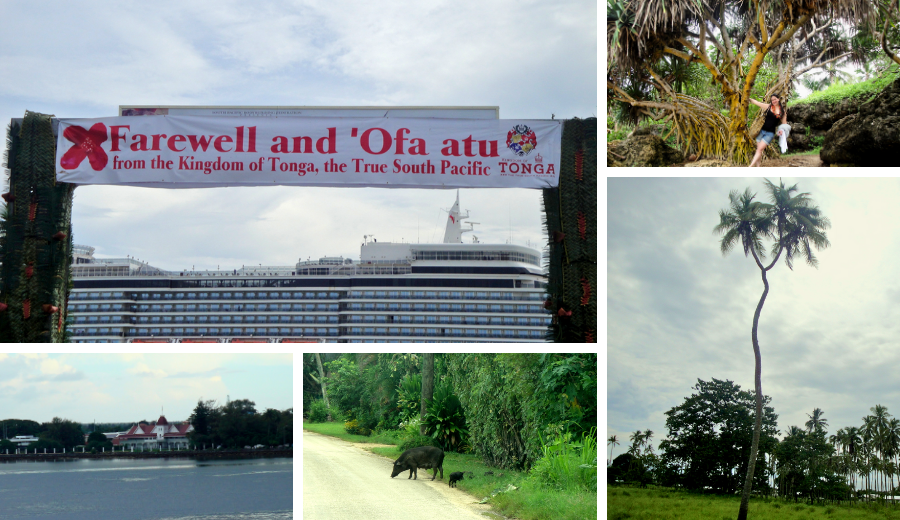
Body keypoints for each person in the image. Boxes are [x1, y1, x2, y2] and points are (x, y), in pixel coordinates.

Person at [747, 94, 788, 167]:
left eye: (775, 99)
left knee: (759, 150)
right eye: (772, 100)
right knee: (758, 150)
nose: (773, 101)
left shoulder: (782, 111)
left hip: (770, 133)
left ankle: (750, 166)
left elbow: (784, 123)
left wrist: (781, 130)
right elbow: (757, 103)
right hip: (761, 131)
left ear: (778, 99)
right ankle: (758, 167)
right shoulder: (769, 106)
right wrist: (747, 98)